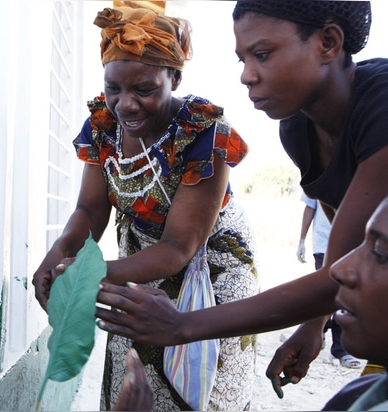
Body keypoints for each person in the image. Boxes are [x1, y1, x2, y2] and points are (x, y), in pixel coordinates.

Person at [95, 0, 388, 399]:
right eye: (242, 59)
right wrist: (313, 325)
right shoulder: (298, 128)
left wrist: (184, 325)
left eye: (262, 55)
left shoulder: (381, 108)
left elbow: (339, 270)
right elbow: (348, 252)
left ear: (328, 43)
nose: (247, 76)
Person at [32, 6, 259, 411]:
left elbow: (178, 246)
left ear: (174, 77)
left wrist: (89, 275)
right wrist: (59, 255)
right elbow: (89, 209)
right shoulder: (104, 126)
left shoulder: (204, 134)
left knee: (196, 385)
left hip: (209, 272)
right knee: (132, 377)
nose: (126, 105)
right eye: (113, 87)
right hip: (138, 263)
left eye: (144, 89)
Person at [116, 197, 388, 411]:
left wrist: (181, 324)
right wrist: (314, 323)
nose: (339, 270)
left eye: (380, 253)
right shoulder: (360, 396)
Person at [297, 193, 361, 369]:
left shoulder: (358, 172)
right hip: (323, 244)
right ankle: (318, 329)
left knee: (342, 293)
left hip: (351, 245)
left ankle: (339, 348)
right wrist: (302, 240)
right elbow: (310, 207)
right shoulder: (317, 174)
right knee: (327, 291)